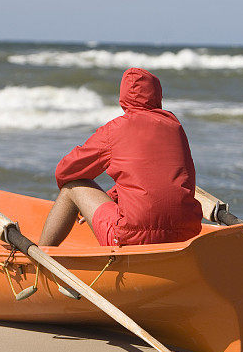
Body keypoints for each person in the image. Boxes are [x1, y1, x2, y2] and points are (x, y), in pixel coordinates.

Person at [38, 67, 202, 247]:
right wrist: (111, 196)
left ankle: (41, 257)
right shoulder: (175, 127)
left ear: (123, 97)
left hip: (132, 236)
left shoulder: (115, 129)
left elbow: (65, 171)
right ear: (158, 96)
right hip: (188, 232)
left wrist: (85, 200)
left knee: (71, 187)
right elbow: (160, 180)